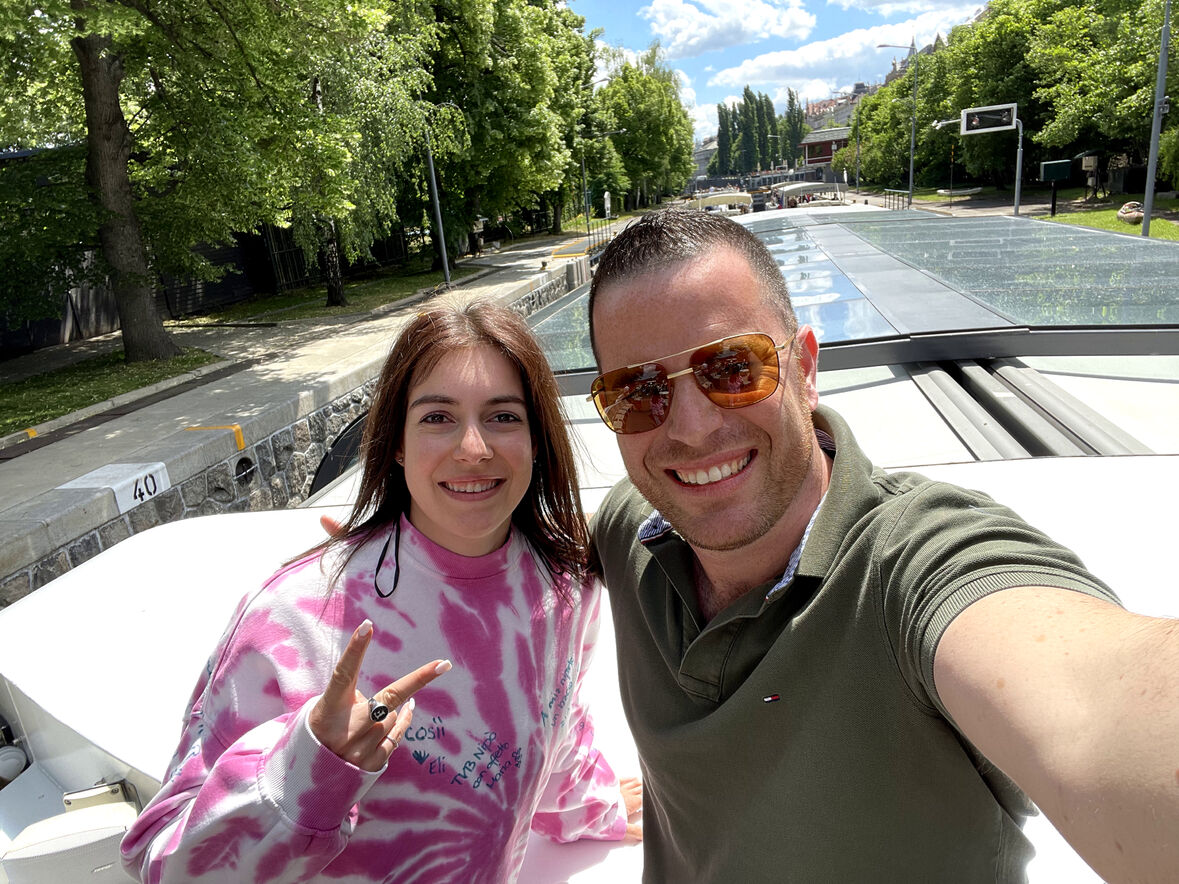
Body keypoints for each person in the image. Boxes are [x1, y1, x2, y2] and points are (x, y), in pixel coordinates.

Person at [585, 208, 1179, 882]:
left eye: (732, 368)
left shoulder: (918, 566)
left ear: (804, 368)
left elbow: (1098, 706)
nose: (691, 429)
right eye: (638, 392)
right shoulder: (631, 526)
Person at [122, 301, 641, 883]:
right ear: (396, 442)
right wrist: (309, 769)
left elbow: (553, 727)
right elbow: (163, 860)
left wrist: (597, 808)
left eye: (503, 417)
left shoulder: (565, 586)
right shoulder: (293, 618)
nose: (473, 448)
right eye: (437, 417)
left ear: (537, 439)